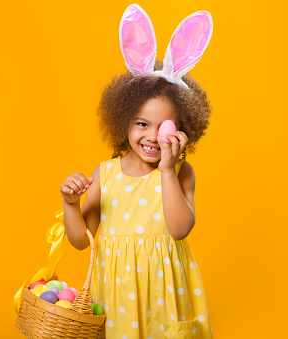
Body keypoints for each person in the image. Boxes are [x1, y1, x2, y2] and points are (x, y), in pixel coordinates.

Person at [60, 4, 214, 338]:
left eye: (164, 127)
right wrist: (70, 204)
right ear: (124, 122)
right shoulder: (106, 174)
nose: (151, 136)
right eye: (142, 123)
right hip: (117, 302)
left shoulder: (181, 172)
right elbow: (79, 241)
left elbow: (179, 229)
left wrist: (168, 171)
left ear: (184, 129)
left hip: (166, 300)